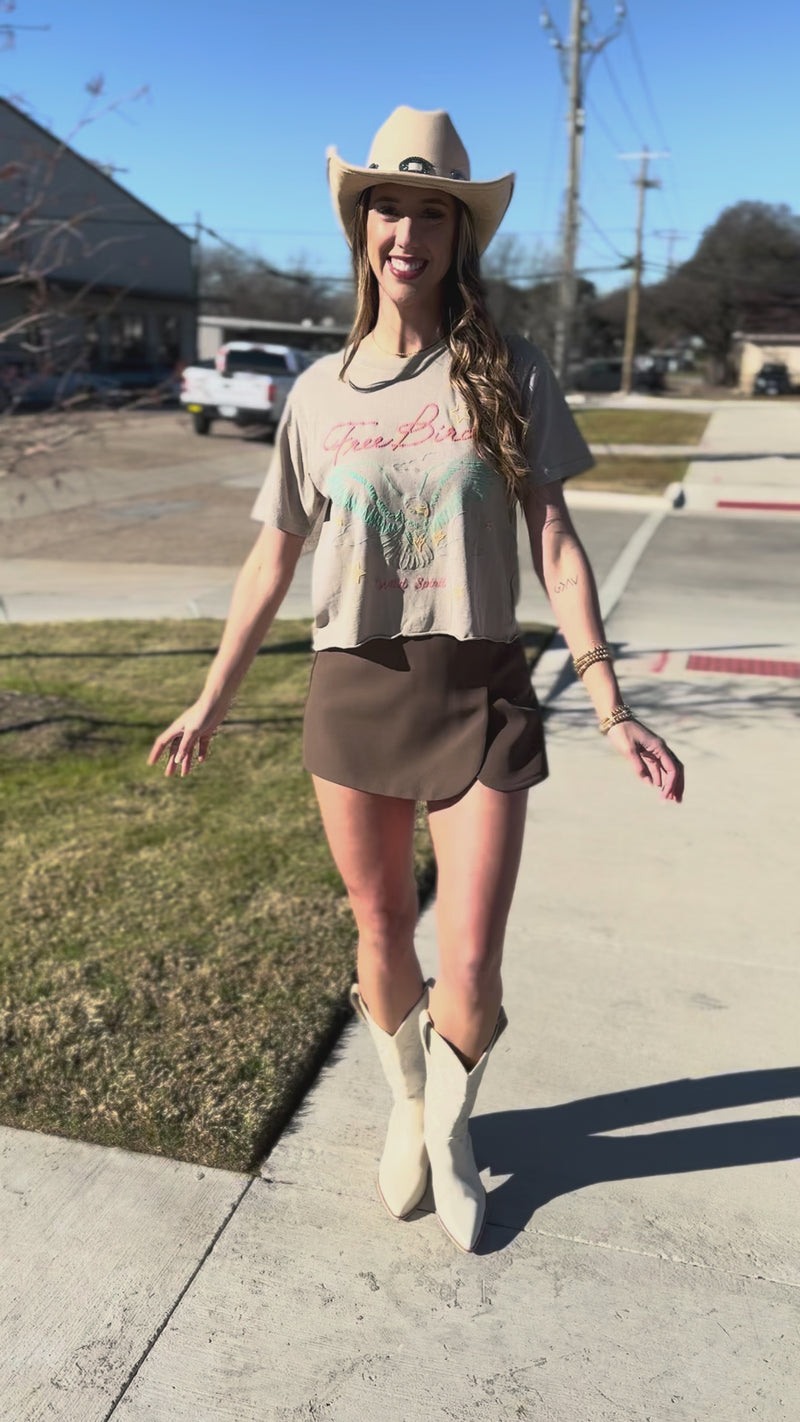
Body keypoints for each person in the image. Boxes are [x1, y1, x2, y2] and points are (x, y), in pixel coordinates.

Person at [149, 107, 684, 1254]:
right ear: (361, 226)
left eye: (431, 210)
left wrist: (607, 699)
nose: (407, 230)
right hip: (354, 689)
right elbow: (272, 553)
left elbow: (553, 543)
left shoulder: (509, 371)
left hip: (480, 690)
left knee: (472, 956)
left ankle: (452, 1123)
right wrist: (211, 696)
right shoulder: (315, 392)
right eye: (388, 206)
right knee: (381, 925)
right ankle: (404, 1102)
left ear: (456, 234)